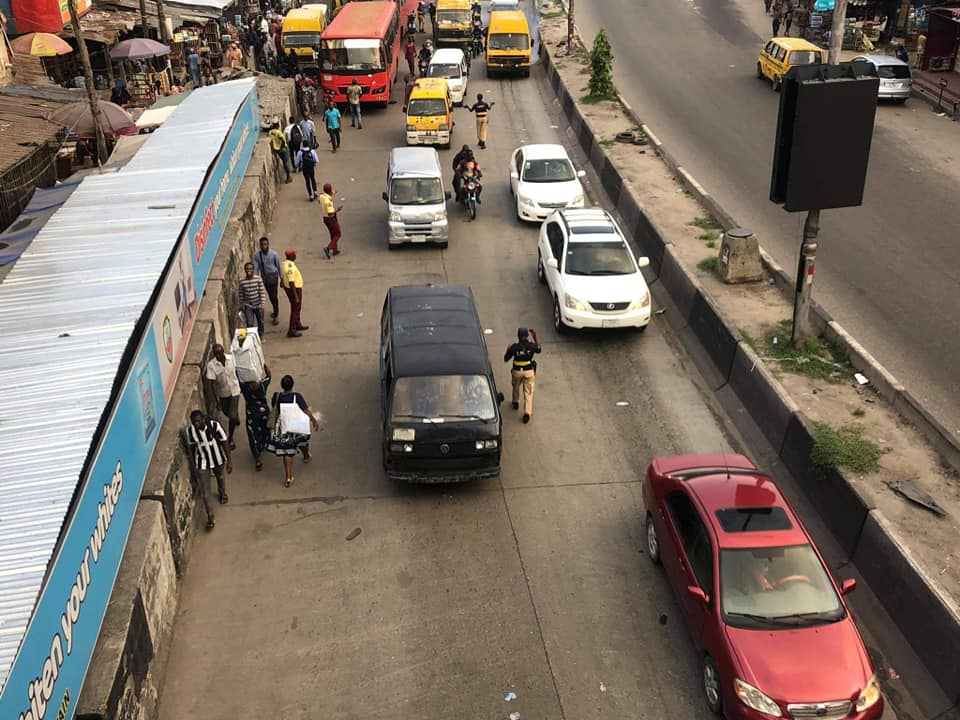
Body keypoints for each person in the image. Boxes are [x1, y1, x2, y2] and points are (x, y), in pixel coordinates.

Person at [266, 374, 320, 487]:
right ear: (292, 385)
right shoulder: (297, 396)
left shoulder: (278, 397)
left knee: (288, 452)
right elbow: (305, 410)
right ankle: (306, 456)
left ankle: (289, 478)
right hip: (297, 426)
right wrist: (313, 419)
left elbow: (275, 408)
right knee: (302, 442)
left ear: (282, 386)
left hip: (285, 428)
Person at [185, 410, 232, 529]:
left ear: (203, 419)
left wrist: (229, 461)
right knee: (205, 492)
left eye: (198, 421)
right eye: (194, 422)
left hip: (218, 459)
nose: (196, 424)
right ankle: (210, 516)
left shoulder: (214, 425)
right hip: (202, 462)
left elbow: (224, 441)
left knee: (220, 477)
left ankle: (222, 493)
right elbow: (191, 447)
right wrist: (193, 464)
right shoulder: (190, 431)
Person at [205, 344, 242, 448]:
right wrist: (217, 401)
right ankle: (234, 417)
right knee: (227, 412)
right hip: (223, 393)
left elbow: (237, 371)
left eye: (220, 353)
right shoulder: (211, 366)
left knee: (232, 415)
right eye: (216, 354)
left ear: (223, 352)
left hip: (234, 391)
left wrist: (241, 383)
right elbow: (212, 384)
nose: (218, 356)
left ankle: (230, 438)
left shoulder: (231, 359)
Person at [503, 327, 541, 424]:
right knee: (528, 393)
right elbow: (539, 349)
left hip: (516, 372)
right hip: (528, 372)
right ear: (527, 336)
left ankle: (515, 402)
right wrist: (535, 336)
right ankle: (527, 413)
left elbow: (506, 359)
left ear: (518, 336)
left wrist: (508, 350)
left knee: (515, 386)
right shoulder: (531, 346)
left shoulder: (514, 347)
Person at [241, 366, 272, 471]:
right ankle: (265, 444)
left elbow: (237, 377)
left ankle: (257, 458)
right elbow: (269, 375)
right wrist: (262, 363)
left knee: (252, 435)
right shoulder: (262, 385)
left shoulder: (245, 388)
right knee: (265, 429)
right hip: (264, 413)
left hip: (252, 415)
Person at [254, 236, 282, 325]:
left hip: (273, 277)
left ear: (268, 244)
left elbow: (279, 266)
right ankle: (275, 310)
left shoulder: (274, 254)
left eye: (265, 244)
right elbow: (256, 269)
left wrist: (282, 279)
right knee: (271, 296)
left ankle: (276, 315)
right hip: (265, 278)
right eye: (262, 244)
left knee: (274, 296)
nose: (264, 246)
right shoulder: (257, 256)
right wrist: (256, 280)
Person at [280, 249, 308, 337]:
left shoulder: (284, 263)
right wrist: (295, 296)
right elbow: (291, 281)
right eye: (294, 254)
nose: (295, 256)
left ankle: (297, 323)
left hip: (292, 287)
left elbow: (282, 274)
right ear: (290, 256)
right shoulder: (290, 266)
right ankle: (291, 330)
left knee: (297, 308)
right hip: (294, 289)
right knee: (295, 308)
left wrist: (282, 281)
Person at [239, 261, 268, 338]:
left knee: (260, 321)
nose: (249, 270)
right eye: (247, 269)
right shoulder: (242, 281)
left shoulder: (258, 279)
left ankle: (260, 336)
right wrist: (241, 305)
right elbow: (241, 294)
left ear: (253, 270)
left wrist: (262, 304)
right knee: (250, 323)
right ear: (245, 270)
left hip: (258, 305)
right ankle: (252, 337)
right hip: (248, 305)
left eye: (251, 269)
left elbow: (262, 292)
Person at [318, 183, 343, 258]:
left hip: (325, 218)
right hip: (330, 219)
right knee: (338, 234)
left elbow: (324, 197)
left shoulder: (322, 196)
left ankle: (335, 250)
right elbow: (330, 213)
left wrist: (333, 193)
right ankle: (328, 248)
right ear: (329, 191)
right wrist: (337, 210)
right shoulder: (328, 202)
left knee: (333, 234)